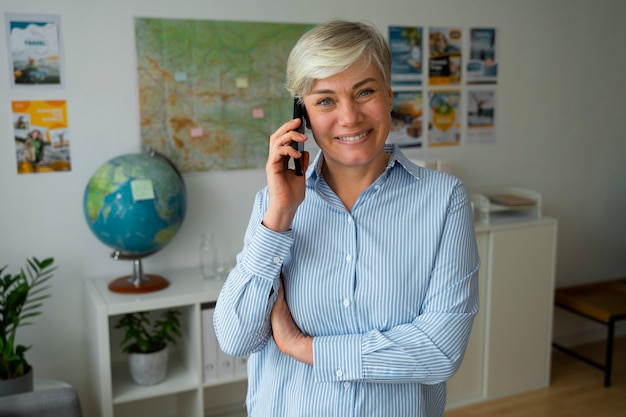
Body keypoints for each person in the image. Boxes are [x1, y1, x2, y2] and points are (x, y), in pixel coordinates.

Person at [214, 19, 480, 417]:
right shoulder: (273, 207)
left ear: (388, 95)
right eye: (325, 101)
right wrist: (281, 214)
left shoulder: (444, 200)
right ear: (301, 116)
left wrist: (302, 347)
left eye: (365, 92)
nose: (350, 116)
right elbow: (236, 338)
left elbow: (440, 352)